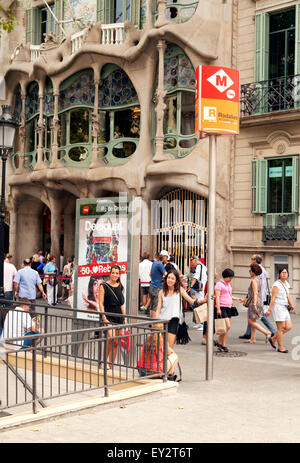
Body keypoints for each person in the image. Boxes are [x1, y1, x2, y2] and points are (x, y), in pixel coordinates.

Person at [156, 268, 197, 348]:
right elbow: (158, 308)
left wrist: (205, 300)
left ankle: (171, 360)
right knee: (161, 348)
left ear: (176, 281)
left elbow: (191, 301)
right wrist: (156, 321)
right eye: (168, 278)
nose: (170, 280)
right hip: (162, 321)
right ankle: (167, 361)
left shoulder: (180, 290)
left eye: (172, 278)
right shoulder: (161, 292)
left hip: (173, 321)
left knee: (169, 348)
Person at [239, 255, 276, 340]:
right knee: (253, 318)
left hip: (257, 300)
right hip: (260, 298)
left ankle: (269, 332)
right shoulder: (262, 272)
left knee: (257, 318)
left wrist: (254, 303)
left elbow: (255, 292)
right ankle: (251, 337)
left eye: (252, 259)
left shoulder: (255, 278)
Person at [98, 265, 127, 369]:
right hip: (109, 315)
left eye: (117, 273)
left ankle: (111, 365)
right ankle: (103, 361)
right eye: (113, 272)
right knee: (110, 338)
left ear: (119, 275)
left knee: (116, 342)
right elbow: (100, 303)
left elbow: (121, 304)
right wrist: (104, 317)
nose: (115, 275)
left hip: (119, 316)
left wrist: (125, 318)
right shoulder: (103, 286)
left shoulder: (120, 286)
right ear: (110, 273)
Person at [265, 267, 295, 353]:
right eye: (282, 272)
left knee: (288, 327)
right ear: (279, 274)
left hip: (285, 307)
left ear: (288, 274)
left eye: (286, 272)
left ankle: (273, 338)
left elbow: (287, 296)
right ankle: (280, 347)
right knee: (280, 328)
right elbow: (273, 298)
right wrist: (269, 310)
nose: (284, 274)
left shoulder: (286, 283)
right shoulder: (276, 285)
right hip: (278, 307)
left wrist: (291, 304)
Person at [214, 269, 243, 352]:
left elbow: (229, 295)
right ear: (225, 276)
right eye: (230, 277)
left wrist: (237, 299)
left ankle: (222, 344)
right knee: (227, 326)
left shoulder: (228, 285)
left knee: (226, 327)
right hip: (222, 307)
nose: (231, 279)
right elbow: (218, 297)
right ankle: (220, 342)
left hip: (228, 307)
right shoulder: (219, 285)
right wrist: (218, 308)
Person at [243, 263, 273, 345]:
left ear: (253, 272)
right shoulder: (260, 280)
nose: (249, 272)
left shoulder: (254, 281)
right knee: (253, 320)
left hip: (255, 302)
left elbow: (255, 293)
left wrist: (254, 304)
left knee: (250, 321)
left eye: (250, 270)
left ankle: (267, 332)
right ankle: (252, 339)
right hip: (260, 301)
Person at [189, 256, 207, 329]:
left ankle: (202, 324)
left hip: (200, 288)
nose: (192, 263)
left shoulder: (199, 267)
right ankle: (200, 322)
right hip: (202, 287)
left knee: (200, 304)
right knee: (199, 304)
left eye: (192, 261)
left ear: (196, 260)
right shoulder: (203, 266)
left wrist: (190, 286)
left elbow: (195, 278)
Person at [149, 253, 167, 318]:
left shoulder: (154, 263)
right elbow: (166, 274)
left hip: (151, 285)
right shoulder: (160, 264)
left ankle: (150, 321)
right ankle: (154, 323)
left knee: (152, 304)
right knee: (156, 305)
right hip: (157, 286)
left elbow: (150, 274)